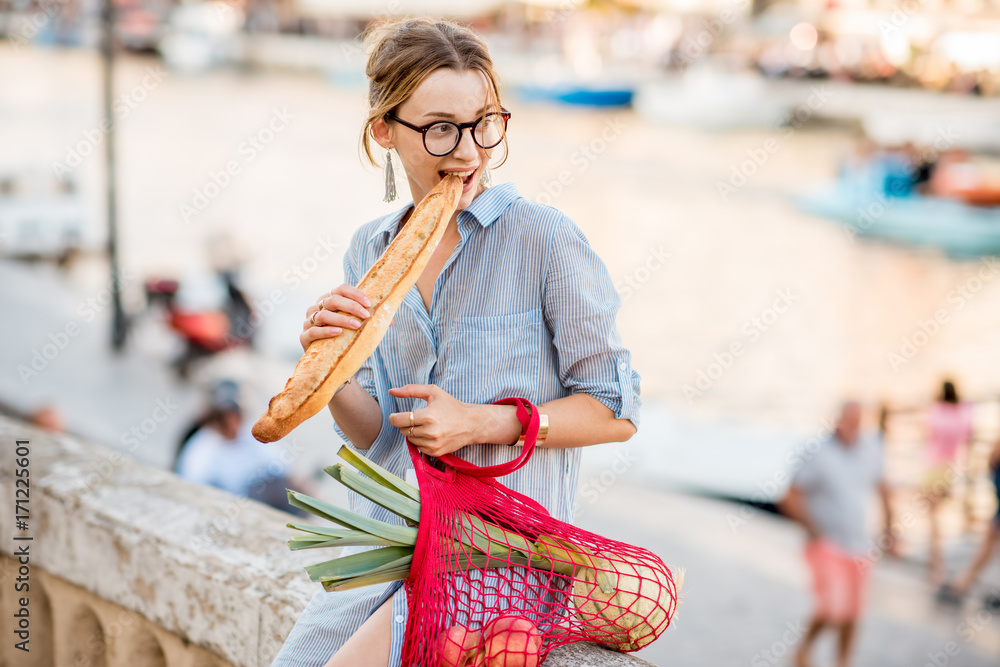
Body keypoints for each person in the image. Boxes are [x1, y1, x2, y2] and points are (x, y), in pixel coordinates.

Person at [270, 18, 640, 667]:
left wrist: (481, 420)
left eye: (484, 123)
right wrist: (327, 371)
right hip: (393, 547)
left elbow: (616, 410)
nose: (470, 151)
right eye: (441, 127)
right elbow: (378, 432)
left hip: (504, 554)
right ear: (384, 130)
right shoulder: (370, 248)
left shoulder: (544, 239)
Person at [778, 402, 896, 667]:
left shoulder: (870, 450)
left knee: (853, 611)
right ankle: (803, 650)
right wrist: (812, 529)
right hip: (827, 543)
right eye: (846, 420)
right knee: (833, 607)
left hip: (859, 544)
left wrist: (891, 531)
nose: (850, 426)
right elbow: (790, 495)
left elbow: (884, 489)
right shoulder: (817, 452)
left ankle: (843, 661)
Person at [176, 379, 307, 514]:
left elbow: (286, 470)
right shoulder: (201, 448)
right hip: (232, 507)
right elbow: (192, 490)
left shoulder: (252, 432)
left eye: (235, 414)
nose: (232, 422)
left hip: (270, 497)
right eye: (225, 416)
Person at [938, 435, 1000, 605]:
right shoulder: (995, 460)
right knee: (987, 547)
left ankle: (961, 585)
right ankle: (961, 585)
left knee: (988, 546)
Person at [922, 380, 974, 584]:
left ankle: (936, 567)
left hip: (933, 467)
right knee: (937, 517)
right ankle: (935, 564)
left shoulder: (937, 412)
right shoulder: (962, 414)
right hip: (949, 469)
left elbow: (928, 433)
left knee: (933, 520)